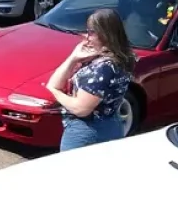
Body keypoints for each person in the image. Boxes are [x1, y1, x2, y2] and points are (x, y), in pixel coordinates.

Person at [45, 9, 135, 152]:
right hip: (111, 124)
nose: (86, 37)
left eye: (91, 32)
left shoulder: (104, 68)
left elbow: (81, 109)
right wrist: (74, 58)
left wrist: (56, 92)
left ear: (105, 34)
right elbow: (56, 81)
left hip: (87, 131)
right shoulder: (119, 59)